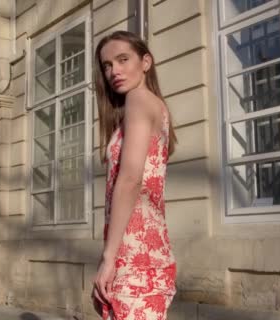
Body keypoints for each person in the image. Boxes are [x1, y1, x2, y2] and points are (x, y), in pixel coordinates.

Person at [91, 30, 179, 320]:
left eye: (123, 59)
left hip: (135, 254)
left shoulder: (139, 99)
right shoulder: (153, 105)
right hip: (143, 248)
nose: (113, 70)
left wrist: (108, 259)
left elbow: (130, 180)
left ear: (146, 62)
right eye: (107, 65)